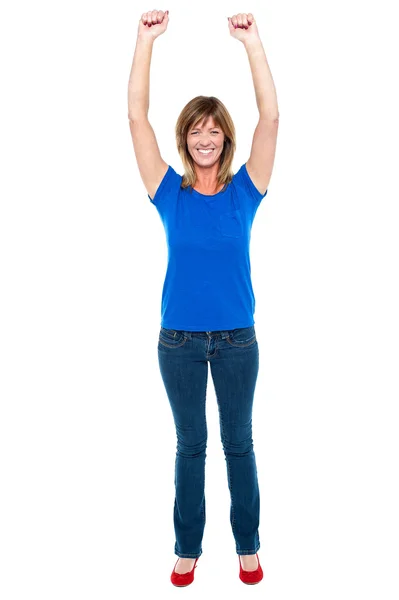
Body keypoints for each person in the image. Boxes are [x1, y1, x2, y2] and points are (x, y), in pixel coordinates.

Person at [127, 9, 279, 586]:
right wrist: (146, 41)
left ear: (225, 136)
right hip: (179, 343)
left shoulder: (247, 191)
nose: (206, 138)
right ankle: (187, 547)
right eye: (196, 129)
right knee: (191, 447)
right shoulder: (169, 192)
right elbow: (136, 116)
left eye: (214, 129)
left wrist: (253, 44)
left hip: (239, 341)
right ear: (186, 138)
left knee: (238, 445)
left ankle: (248, 544)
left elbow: (271, 116)